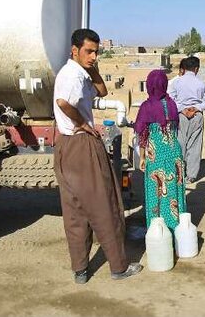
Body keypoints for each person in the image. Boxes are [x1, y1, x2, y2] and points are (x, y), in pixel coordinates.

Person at [53, 28, 142, 284]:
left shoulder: (78, 72)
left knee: (75, 212)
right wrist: (82, 123)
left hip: (65, 146)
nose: (93, 56)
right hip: (81, 146)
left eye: (96, 52)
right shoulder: (72, 75)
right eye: (88, 51)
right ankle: (118, 267)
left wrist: (92, 67)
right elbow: (63, 103)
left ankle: (80, 270)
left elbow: (102, 92)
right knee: (106, 206)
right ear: (74, 50)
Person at [135, 70, 187, 230]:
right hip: (174, 152)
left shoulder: (147, 106)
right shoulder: (172, 104)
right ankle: (177, 230)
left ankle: (159, 232)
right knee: (174, 191)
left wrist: (142, 157)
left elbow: (142, 134)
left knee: (156, 191)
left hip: (156, 154)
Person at [168, 56, 205, 184]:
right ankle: (191, 176)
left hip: (180, 115)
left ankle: (178, 172)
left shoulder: (176, 82)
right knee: (194, 145)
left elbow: (171, 99)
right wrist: (196, 108)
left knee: (179, 143)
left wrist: (182, 109)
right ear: (196, 68)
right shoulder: (201, 83)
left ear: (184, 68)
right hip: (197, 115)